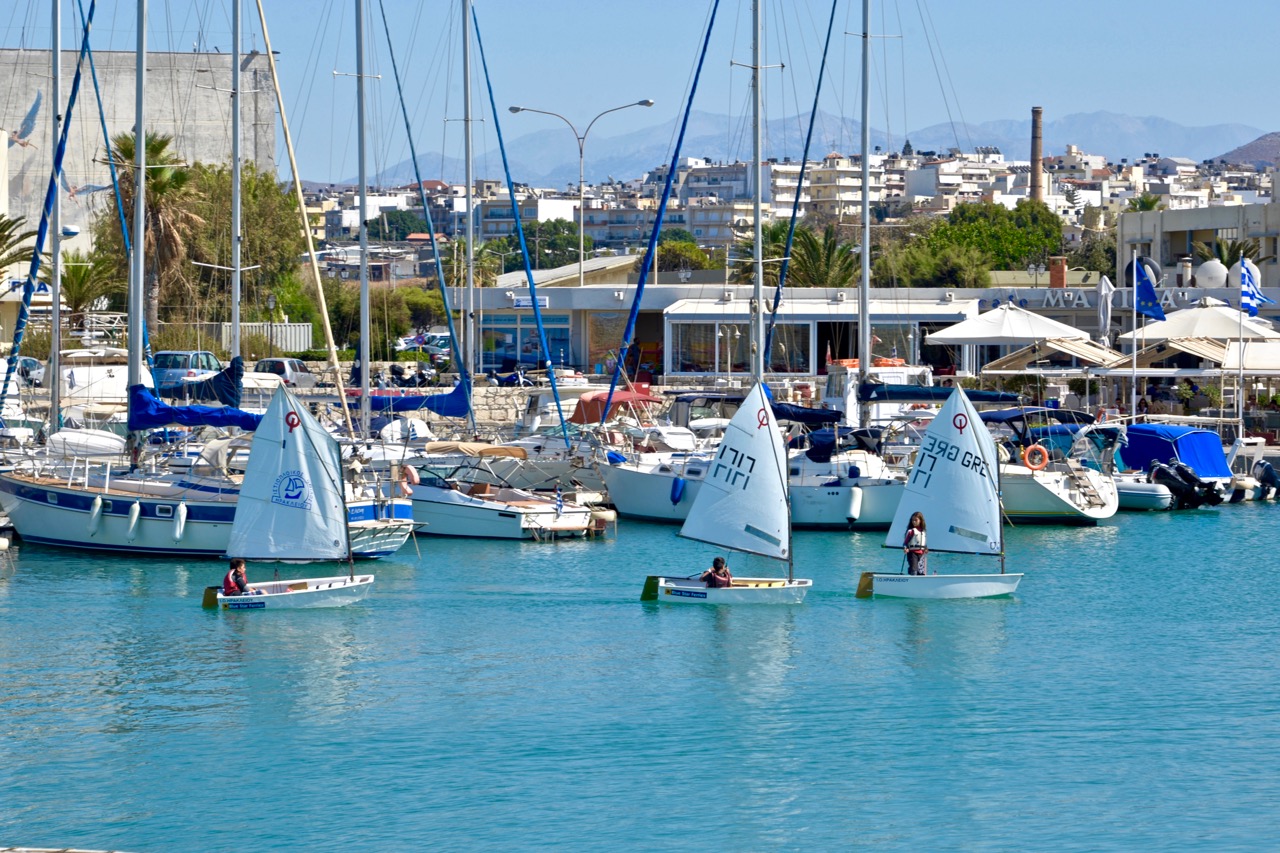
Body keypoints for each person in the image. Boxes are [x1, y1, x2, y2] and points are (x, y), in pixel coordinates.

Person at [903, 511, 928, 575]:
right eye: (912, 520)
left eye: (916, 520)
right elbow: (905, 543)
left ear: (920, 520)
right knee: (914, 571)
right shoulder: (911, 531)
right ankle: (911, 577)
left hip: (922, 554)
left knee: (922, 573)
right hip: (912, 553)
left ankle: (922, 583)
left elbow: (924, 543)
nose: (914, 521)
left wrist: (926, 548)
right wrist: (905, 548)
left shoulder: (923, 531)